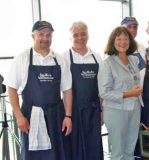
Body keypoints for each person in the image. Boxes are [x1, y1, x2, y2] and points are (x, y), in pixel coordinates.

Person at [6, 20, 72, 160]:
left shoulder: (60, 60)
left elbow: (67, 90)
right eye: (41, 34)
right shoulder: (22, 59)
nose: (45, 38)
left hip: (56, 116)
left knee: (57, 154)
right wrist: (19, 116)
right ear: (33, 36)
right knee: (32, 156)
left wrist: (68, 116)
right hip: (30, 117)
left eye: (48, 35)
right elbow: (11, 89)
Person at [98, 26, 142, 160]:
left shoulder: (133, 60)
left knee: (130, 149)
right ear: (113, 41)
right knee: (118, 152)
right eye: (119, 39)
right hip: (116, 110)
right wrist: (128, 94)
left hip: (134, 108)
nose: (123, 42)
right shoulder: (107, 63)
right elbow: (104, 92)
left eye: (126, 38)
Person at [63, 21, 103, 160]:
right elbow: (63, 89)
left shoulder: (96, 57)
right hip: (73, 112)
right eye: (76, 35)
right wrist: (66, 115)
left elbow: (101, 88)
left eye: (83, 34)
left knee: (94, 147)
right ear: (70, 38)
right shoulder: (64, 58)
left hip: (93, 111)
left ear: (88, 35)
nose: (80, 38)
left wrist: (102, 111)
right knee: (75, 149)